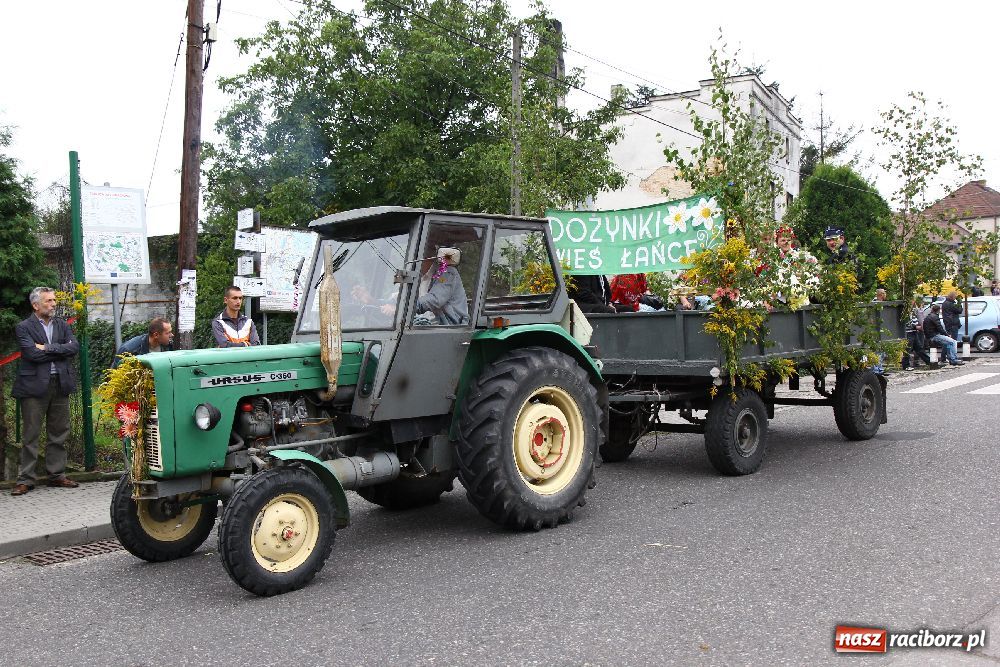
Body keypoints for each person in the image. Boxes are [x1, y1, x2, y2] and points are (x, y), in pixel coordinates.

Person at [10, 287, 81, 496]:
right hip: (33, 387)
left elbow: (74, 348)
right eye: (48, 301)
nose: (53, 304)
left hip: (60, 383)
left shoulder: (62, 324)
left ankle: (57, 475)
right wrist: (58, 349)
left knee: (59, 432)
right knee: (30, 434)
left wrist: (46, 348)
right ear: (36, 305)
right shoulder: (24, 327)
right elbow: (31, 354)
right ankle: (25, 479)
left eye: (54, 300)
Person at [415, 247, 469, 325]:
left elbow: (436, 299)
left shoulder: (446, 272)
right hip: (422, 323)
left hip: (448, 326)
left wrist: (407, 307)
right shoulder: (416, 277)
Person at [901, 300, 931, 371]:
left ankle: (929, 361)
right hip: (908, 332)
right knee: (907, 349)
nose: (913, 303)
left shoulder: (913, 311)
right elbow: (906, 323)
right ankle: (906, 365)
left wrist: (917, 325)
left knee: (919, 348)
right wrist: (916, 327)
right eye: (912, 302)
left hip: (914, 332)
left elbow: (915, 320)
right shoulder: (905, 312)